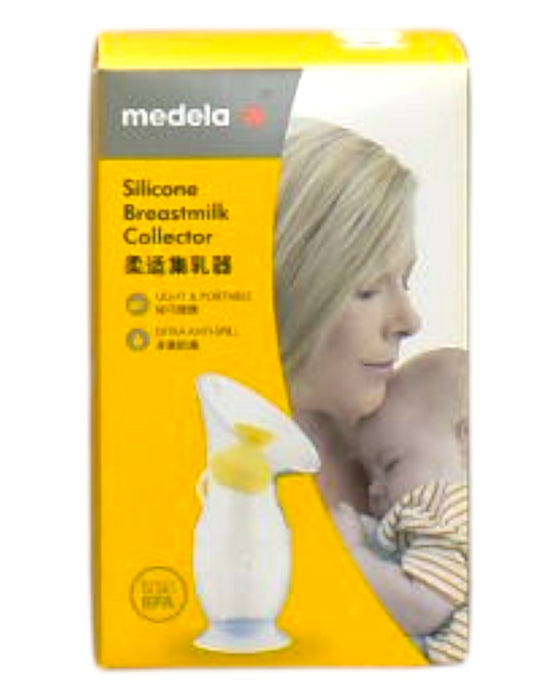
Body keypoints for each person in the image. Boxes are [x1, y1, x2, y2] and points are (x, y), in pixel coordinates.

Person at [275, 120, 421, 512]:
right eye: (368, 289)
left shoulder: (414, 453)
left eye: (405, 281)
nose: (410, 322)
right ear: (288, 290)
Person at [335, 348, 468, 664]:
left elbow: (421, 609)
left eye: (391, 464)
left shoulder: (445, 502)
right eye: (369, 476)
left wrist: (352, 551)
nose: (374, 490)